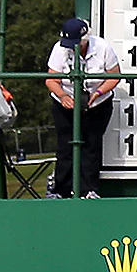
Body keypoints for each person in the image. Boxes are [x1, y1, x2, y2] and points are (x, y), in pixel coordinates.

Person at [43, 18, 120, 198]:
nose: (72, 47)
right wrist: (63, 96)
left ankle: (89, 190)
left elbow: (115, 75)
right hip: (65, 103)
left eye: (76, 43)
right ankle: (61, 190)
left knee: (91, 146)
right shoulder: (59, 49)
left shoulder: (102, 48)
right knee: (65, 145)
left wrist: (98, 93)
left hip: (97, 103)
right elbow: (50, 79)